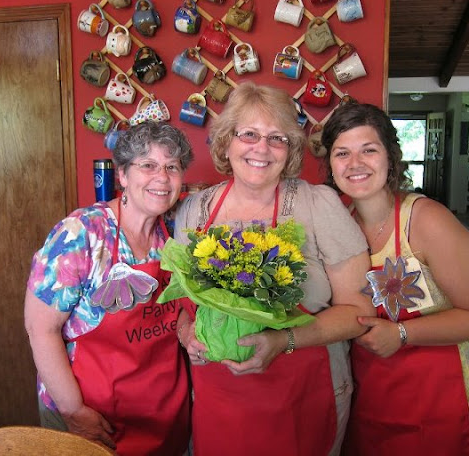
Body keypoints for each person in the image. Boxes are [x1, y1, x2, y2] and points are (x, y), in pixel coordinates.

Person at [174, 82, 374, 456]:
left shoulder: (319, 205)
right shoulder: (195, 209)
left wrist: (283, 341)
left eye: (277, 138)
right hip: (219, 402)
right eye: (248, 134)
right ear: (226, 142)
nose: (261, 148)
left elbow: (360, 313)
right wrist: (187, 334)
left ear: (291, 149)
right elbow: (184, 303)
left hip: (303, 400)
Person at [320, 103, 469, 456]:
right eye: (342, 153)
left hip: (439, 402)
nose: (355, 163)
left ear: (391, 157)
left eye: (368, 150)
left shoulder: (427, 220)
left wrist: (402, 334)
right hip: (369, 401)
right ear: (330, 164)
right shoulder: (339, 223)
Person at [24, 122, 194, 455]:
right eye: (148, 165)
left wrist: (187, 331)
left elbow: (173, 311)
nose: (162, 178)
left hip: (160, 410)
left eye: (172, 167)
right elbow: (40, 328)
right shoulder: (81, 233)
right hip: (90, 413)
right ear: (122, 175)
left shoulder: (173, 235)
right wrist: (75, 411)